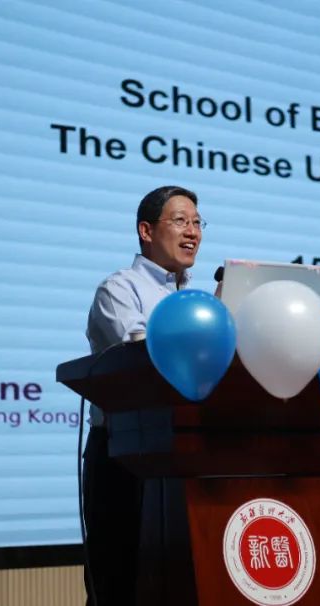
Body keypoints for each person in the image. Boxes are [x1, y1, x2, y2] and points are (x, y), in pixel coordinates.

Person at [82, 185, 204, 606]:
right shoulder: (119, 288)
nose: (192, 232)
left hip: (187, 455)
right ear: (146, 231)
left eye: (197, 222)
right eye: (180, 221)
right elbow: (141, 352)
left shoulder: (199, 300)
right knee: (120, 585)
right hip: (124, 454)